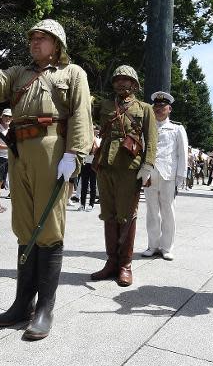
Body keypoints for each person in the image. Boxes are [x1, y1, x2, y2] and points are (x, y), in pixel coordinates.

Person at [0, 18, 92, 340]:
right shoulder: (19, 74)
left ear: (57, 44)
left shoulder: (72, 74)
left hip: (53, 150)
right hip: (19, 150)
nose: (35, 43)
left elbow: (81, 114)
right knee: (25, 226)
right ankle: (23, 302)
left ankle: (44, 308)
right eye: (33, 38)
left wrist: (74, 154)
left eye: (43, 38)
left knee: (48, 228)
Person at [90, 65, 157, 287]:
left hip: (130, 167)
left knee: (127, 215)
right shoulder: (105, 105)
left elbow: (151, 139)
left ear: (134, 84)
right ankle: (111, 261)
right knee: (108, 214)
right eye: (117, 79)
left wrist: (147, 165)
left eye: (126, 80)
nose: (120, 83)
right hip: (105, 166)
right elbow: (81, 111)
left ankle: (125, 265)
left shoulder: (145, 108)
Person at [142, 91, 187, 261]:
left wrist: (181, 176)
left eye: (162, 107)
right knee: (152, 211)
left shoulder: (177, 128)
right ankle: (152, 245)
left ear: (169, 109)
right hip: (150, 174)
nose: (159, 109)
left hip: (168, 174)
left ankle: (167, 247)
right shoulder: (147, 127)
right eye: (156, 107)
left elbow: (182, 153)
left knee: (168, 211)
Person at [79, 127, 101, 211]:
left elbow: (97, 149)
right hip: (85, 163)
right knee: (84, 185)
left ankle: (91, 204)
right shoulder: (86, 140)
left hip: (93, 164)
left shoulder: (98, 140)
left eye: (94, 130)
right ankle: (82, 204)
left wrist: (94, 140)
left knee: (93, 185)